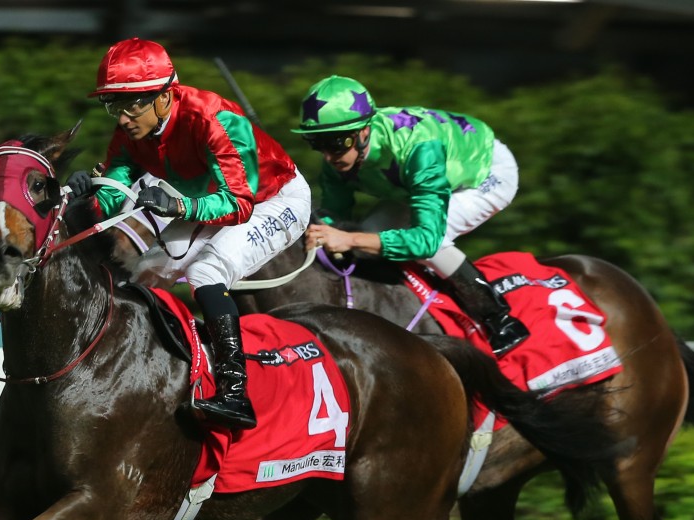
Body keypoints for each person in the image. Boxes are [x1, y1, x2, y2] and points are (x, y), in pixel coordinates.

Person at [67, 38, 311, 430]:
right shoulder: (130, 133)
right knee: (145, 274)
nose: (123, 119)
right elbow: (113, 192)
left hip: (273, 199)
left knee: (206, 272)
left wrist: (179, 207)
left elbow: (240, 204)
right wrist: (85, 200)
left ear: (165, 96)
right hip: (210, 198)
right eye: (114, 105)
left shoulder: (214, 118)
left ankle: (235, 393)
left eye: (132, 105)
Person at [293, 75, 528, 355]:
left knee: (429, 244)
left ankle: (498, 319)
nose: (329, 156)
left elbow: (427, 240)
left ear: (364, 131)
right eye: (317, 144)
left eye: (336, 143)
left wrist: (350, 240)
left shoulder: (419, 148)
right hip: (420, 182)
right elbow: (335, 216)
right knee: (368, 231)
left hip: (485, 173)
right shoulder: (337, 156)